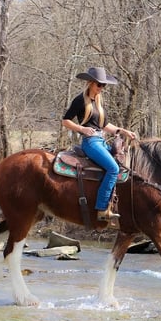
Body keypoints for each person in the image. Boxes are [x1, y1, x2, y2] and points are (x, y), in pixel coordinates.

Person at [61, 66, 137, 223]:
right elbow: (65, 120)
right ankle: (102, 208)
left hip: (101, 141)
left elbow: (105, 125)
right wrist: (81, 128)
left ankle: (115, 204)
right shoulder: (80, 100)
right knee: (113, 168)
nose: (102, 88)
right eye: (99, 85)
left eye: (104, 85)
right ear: (90, 83)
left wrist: (124, 131)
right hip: (90, 142)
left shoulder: (99, 103)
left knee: (122, 165)